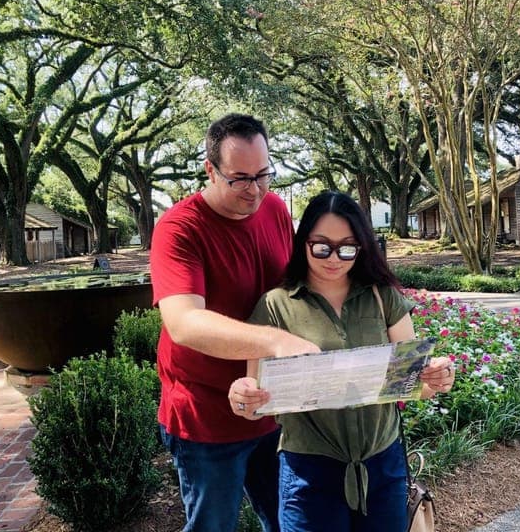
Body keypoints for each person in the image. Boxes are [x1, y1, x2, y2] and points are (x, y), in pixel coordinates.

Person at [228, 191, 456, 532]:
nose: (334, 258)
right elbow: (255, 400)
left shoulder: (382, 296)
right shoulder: (276, 305)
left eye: (347, 248)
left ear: (362, 247)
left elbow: (414, 384)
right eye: (321, 246)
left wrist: (437, 376)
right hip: (309, 473)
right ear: (303, 242)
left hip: (383, 466)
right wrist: (242, 395)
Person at [150, 113, 320, 532]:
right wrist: (275, 341)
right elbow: (185, 323)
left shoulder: (275, 208)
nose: (256, 189)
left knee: (288, 522)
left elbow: (296, 286)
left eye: (264, 174)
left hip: (270, 405)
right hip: (205, 416)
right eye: (240, 178)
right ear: (210, 170)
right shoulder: (178, 229)